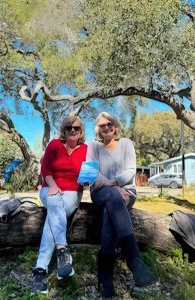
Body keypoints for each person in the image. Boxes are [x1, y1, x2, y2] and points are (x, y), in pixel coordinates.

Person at [86, 112, 157, 299]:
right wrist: (113, 187)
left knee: (110, 213)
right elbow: (92, 174)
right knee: (112, 197)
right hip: (101, 192)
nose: (107, 127)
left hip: (126, 192)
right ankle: (134, 259)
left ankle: (105, 278)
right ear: (98, 129)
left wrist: (112, 184)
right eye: (102, 126)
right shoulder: (93, 146)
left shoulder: (126, 143)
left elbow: (130, 172)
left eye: (110, 124)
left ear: (115, 125)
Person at [32, 115, 87, 294]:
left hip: (72, 192)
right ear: (64, 130)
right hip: (50, 187)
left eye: (76, 128)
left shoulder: (86, 149)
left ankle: (40, 271)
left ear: (81, 132)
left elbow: (88, 173)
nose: (72, 130)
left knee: (52, 217)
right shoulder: (55, 144)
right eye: (69, 127)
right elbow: (45, 169)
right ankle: (62, 251)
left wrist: (87, 182)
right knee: (55, 201)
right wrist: (53, 186)